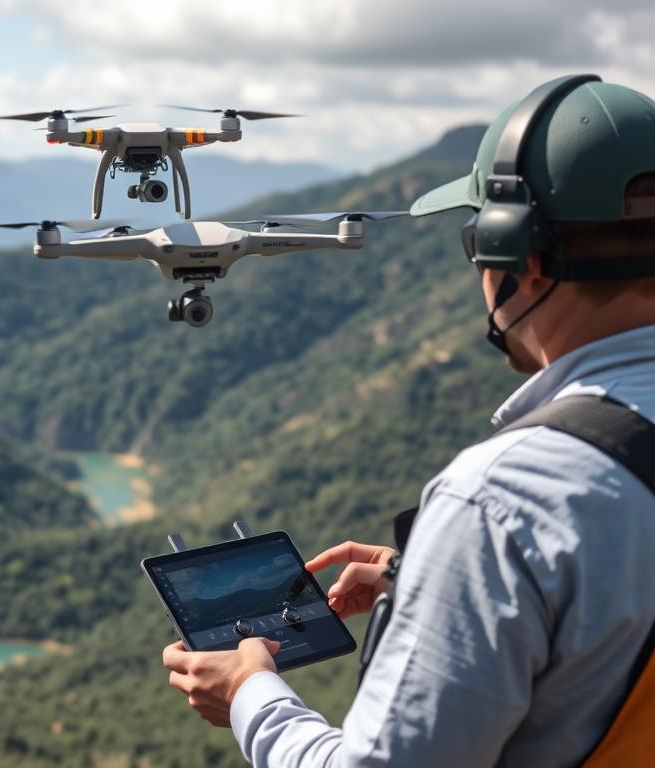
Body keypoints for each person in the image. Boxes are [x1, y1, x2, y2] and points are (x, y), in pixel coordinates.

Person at [163, 74, 655, 766]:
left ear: (522, 260)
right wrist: (436, 581)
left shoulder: (505, 502)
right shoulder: (519, 520)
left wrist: (250, 694)